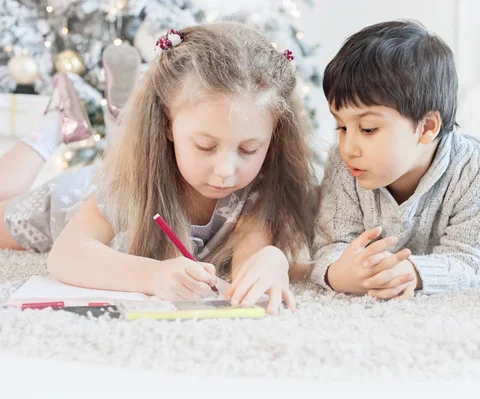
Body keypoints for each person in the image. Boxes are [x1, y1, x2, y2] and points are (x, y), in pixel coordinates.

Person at [1, 22, 317, 314]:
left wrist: (273, 261)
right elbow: (67, 255)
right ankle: (53, 126)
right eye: (206, 146)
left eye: (249, 149)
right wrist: (152, 276)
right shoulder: (132, 182)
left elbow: (249, 262)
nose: (225, 169)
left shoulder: (257, 189)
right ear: (167, 124)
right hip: (71, 198)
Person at [311, 20, 480, 300]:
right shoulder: (344, 163)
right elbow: (331, 243)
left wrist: (413, 272)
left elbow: (472, 260)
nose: (348, 147)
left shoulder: (477, 169)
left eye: (367, 129)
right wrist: (335, 273)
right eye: (341, 127)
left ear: (427, 127)